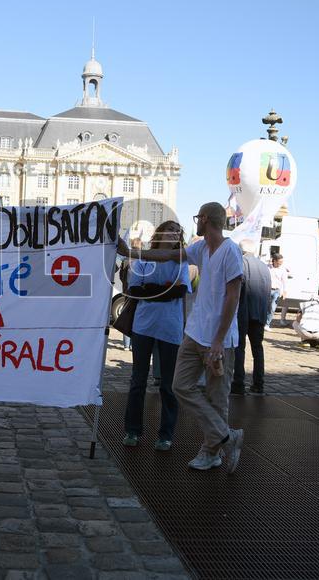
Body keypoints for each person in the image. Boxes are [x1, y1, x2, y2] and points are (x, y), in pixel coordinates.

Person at [172, 202, 245, 473]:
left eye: (197, 218)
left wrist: (218, 341)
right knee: (180, 385)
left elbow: (233, 296)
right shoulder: (201, 249)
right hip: (195, 333)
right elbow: (174, 256)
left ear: (205, 219)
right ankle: (227, 436)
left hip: (220, 340)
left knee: (217, 398)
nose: (196, 223)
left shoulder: (231, 251)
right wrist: (133, 251)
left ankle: (210, 452)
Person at [115, 220, 190, 451]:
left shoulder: (180, 260)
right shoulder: (143, 258)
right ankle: (132, 430)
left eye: (177, 232)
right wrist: (165, 289)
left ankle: (166, 434)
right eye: (170, 230)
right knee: (138, 381)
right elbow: (136, 290)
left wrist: (154, 290)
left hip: (170, 327)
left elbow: (180, 290)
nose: (173, 234)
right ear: (160, 233)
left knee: (168, 385)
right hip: (144, 326)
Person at [232, 239, 271, 395]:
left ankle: (238, 383)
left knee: (239, 348)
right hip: (259, 312)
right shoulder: (264, 266)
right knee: (257, 348)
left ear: (241, 250)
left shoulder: (241, 263)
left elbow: (237, 288)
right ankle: (258, 383)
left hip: (243, 311)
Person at [267, 253, 288, 327]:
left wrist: (284, 292)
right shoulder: (268, 267)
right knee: (265, 307)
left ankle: (267, 324)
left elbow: (285, 281)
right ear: (275, 261)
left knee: (272, 308)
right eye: (280, 262)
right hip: (267, 290)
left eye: (282, 262)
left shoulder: (283, 269)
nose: (281, 263)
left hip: (276, 291)